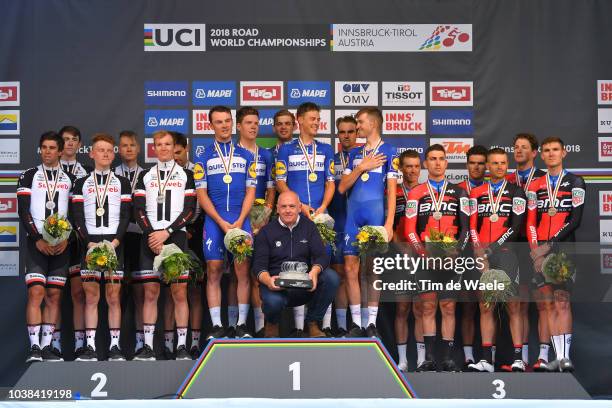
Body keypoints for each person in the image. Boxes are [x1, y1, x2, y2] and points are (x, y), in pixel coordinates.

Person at [402, 144, 470, 372]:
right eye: (432, 159)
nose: (437, 163)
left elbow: (467, 230)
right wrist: (423, 253)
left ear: (447, 163)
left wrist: (456, 252)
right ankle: (429, 358)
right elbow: (410, 230)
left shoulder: (460, 192)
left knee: (449, 307)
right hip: (425, 259)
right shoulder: (415, 193)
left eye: (441, 159)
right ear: (425, 164)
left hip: (452, 259)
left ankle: (448, 358)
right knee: (428, 307)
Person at [133, 130, 196, 361]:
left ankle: (181, 346)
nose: (164, 148)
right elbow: (138, 210)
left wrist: (166, 232)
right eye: (159, 145)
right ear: (154, 148)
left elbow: (189, 209)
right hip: (149, 239)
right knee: (150, 292)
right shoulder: (145, 176)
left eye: (168, 144)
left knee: (179, 292)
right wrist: (152, 234)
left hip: (176, 237)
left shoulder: (186, 175)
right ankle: (148, 347)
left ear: (174, 147)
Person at [196, 106, 256, 340]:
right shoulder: (203, 157)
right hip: (214, 220)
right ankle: (217, 326)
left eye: (227, 121)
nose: (224, 125)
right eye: (218, 122)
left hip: (241, 219)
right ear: (211, 125)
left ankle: (241, 325)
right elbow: (202, 196)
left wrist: (240, 220)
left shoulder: (247, 156)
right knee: (214, 271)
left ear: (233, 123)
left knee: (242, 270)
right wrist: (221, 222)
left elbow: (251, 192)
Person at [338, 107, 399, 338]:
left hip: (375, 216)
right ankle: (356, 323)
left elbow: (392, 191)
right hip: (353, 216)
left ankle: (371, 323)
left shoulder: (389, 151)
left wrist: (389, 223)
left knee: (373, 269)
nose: (357, 126)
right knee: (351, 268)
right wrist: (362, 166)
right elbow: (342, 187)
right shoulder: (354, 154)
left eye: (360, 122)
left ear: (373, 124)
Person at [275, 102, 334, 337]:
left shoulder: (326, 149)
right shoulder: (286, 150)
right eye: (312, 119)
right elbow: (280, 183)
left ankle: (319, 324)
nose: (316, 123)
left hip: (320, 215)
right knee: (299, 268)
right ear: (299, 120)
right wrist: (300, 207)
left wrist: (322, 208)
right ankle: (299, 327)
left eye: (318, 119)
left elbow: (330, 182)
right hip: (298, 215)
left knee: (323, 270)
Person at [526, 137, 585, 372]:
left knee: (562, 301)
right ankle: (555, 357)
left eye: (555, 150)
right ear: (541, 155)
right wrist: (535, 251)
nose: (551, 154)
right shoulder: (534, 186)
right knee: (548, 304)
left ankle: (564, 357)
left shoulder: (576, 181)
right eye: (547, 151)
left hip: (563, 250)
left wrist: (547, 246)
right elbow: (530, 222)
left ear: (564, 153)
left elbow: (575, 220)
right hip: (538, 252)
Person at [72, 133, 132, 361]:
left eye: (109, 151)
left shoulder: (122, 182)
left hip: (114, 242)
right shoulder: (81, 182)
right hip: (89, 242)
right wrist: (88, 242)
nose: (106, 154)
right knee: (90, 296)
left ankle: (115, 347)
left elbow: (126, 216)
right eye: (101, 150)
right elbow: (77, 217)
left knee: (114, 295)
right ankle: (90, 347)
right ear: (92, 153)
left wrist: (115, 242)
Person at [18, 131, 76, 362]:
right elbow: (23, 211)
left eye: (52, 148)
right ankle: (34, 347)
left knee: (54, 296)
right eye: (44, 147)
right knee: (36, 292)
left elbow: (76, 214)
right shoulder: (28, 175)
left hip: (62, 245)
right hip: (37, 244)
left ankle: (47, 346)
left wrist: (66, 239)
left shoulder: (69, 178)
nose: (47, 152)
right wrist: (37, 239)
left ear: (61, 151)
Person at [468, 148, 527, 372]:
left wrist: (491, 249)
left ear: (507, 164)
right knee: (485, 305)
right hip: (482, 256)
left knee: (513, 306)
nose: (499, 167)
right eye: (494, 163)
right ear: (488, 166)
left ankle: (518, 358)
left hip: (506, 255)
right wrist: (478, 251)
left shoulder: (517, 192)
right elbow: (472, 227)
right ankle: (486, 359)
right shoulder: (476, 193)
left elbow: (516, 227)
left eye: (503, 163)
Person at [252, 191, 340, 337]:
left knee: (331, 278)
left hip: (304, 287)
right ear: (277, 208)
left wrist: (315, 272)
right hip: (277, 288)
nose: (288, 210)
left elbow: (321, 256)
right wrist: (268, 281)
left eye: (292, 206)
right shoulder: (266, 232)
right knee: (272, 303)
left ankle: (312, 323)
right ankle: (272, 323)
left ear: (300, 208)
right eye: (284, 206)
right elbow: (258, 266)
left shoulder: (310, 227)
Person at [506, 133, 550, 371]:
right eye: (516, 147)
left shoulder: (545, 180)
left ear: (535, 153)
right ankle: (520, 358)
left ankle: (543, 356)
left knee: (544, 303)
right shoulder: (508, 180)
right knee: (518, 304)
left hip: (539, 246)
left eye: (524, 147)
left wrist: (541, 246)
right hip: (514, 247)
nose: (519, 150)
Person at [237, 107, 275, 337]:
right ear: (239, 126)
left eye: (256, 123)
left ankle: (261, 328)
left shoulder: (267, 154)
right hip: (237, 218)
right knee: (239, 273)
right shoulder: (232, 153)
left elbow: (272, 189)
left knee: (259, 274)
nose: (253, 127)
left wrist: (264, 217)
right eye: (248, 123)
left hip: (262, 219)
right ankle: (239, 324)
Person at [59, 125, 92, 360]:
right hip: (56, 238)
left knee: (79, 293)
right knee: (53, 293)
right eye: (66, 140)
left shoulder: (87, 172)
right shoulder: (47, 171)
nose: (69, 143)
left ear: (80, 145)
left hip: (80, 238)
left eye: (74, 140)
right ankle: (54, 344)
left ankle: (81, 345)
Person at [173, 132, 205, 358]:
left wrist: (191, 228)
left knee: (194, 291)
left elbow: (202, 203)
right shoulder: (162, 174)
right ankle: (172, 343)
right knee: (174, 290)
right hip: (175, 235)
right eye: (170, 152)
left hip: (196, 234)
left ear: (187, 150)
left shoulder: (196, 171)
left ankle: (194, 343)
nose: (174, 157)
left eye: (178, 152)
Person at [114, 130, 145, 355]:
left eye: (132, 145)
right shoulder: (111, 174)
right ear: (119, 149)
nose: (128, 149)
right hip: (116, 239)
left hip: (140, 238)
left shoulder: (148, 175)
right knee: (114, 293)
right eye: (124, 145)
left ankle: (142, 342)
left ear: (139, 148)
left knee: (140, 292)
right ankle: (112, 344)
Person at [392, 149, 423, 372]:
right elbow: (387, 222)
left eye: (415, 166)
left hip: (423, 255)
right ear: (401, 168)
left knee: (421, 308)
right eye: (408, 166)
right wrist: (399, 246)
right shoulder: (392, 191)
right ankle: (402, 360)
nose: (412, 170)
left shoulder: (426, 191)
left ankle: (421, 359)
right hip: (401, 255)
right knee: (402, 308)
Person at [456, 145, 487, 370]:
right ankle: (468, 357)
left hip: (487, 254)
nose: (476, 167)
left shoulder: (493, 189)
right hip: (464, 254)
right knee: (467, 306)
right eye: (472, 163)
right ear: (466, 165)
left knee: (488, 306)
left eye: (480, 163)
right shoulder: (458, 189)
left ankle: (488, 357)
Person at [327, 116, 358, 337]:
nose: (346, 136)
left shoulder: (365, 158)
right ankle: (340, 325)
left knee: (357, 274)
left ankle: (361, 324)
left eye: (350, 131)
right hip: (336, 221)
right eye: (342, 132)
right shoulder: (332, 159)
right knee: (338, 274)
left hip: (358, 222)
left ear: (357, 133)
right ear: (338, 134)